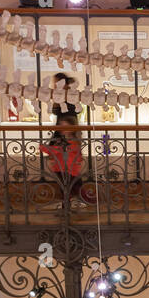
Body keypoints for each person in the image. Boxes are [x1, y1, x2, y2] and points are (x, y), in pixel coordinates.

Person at [39, 71, 90, 206]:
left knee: (68, 171)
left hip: (66, 132)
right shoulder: (61, 96)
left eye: (55, 82)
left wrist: (63, 131)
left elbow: (68, 115)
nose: (53, 85)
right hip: (64, 132)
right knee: (65, 171)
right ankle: (74, 197)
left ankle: (75, 197)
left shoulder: (67, 98)